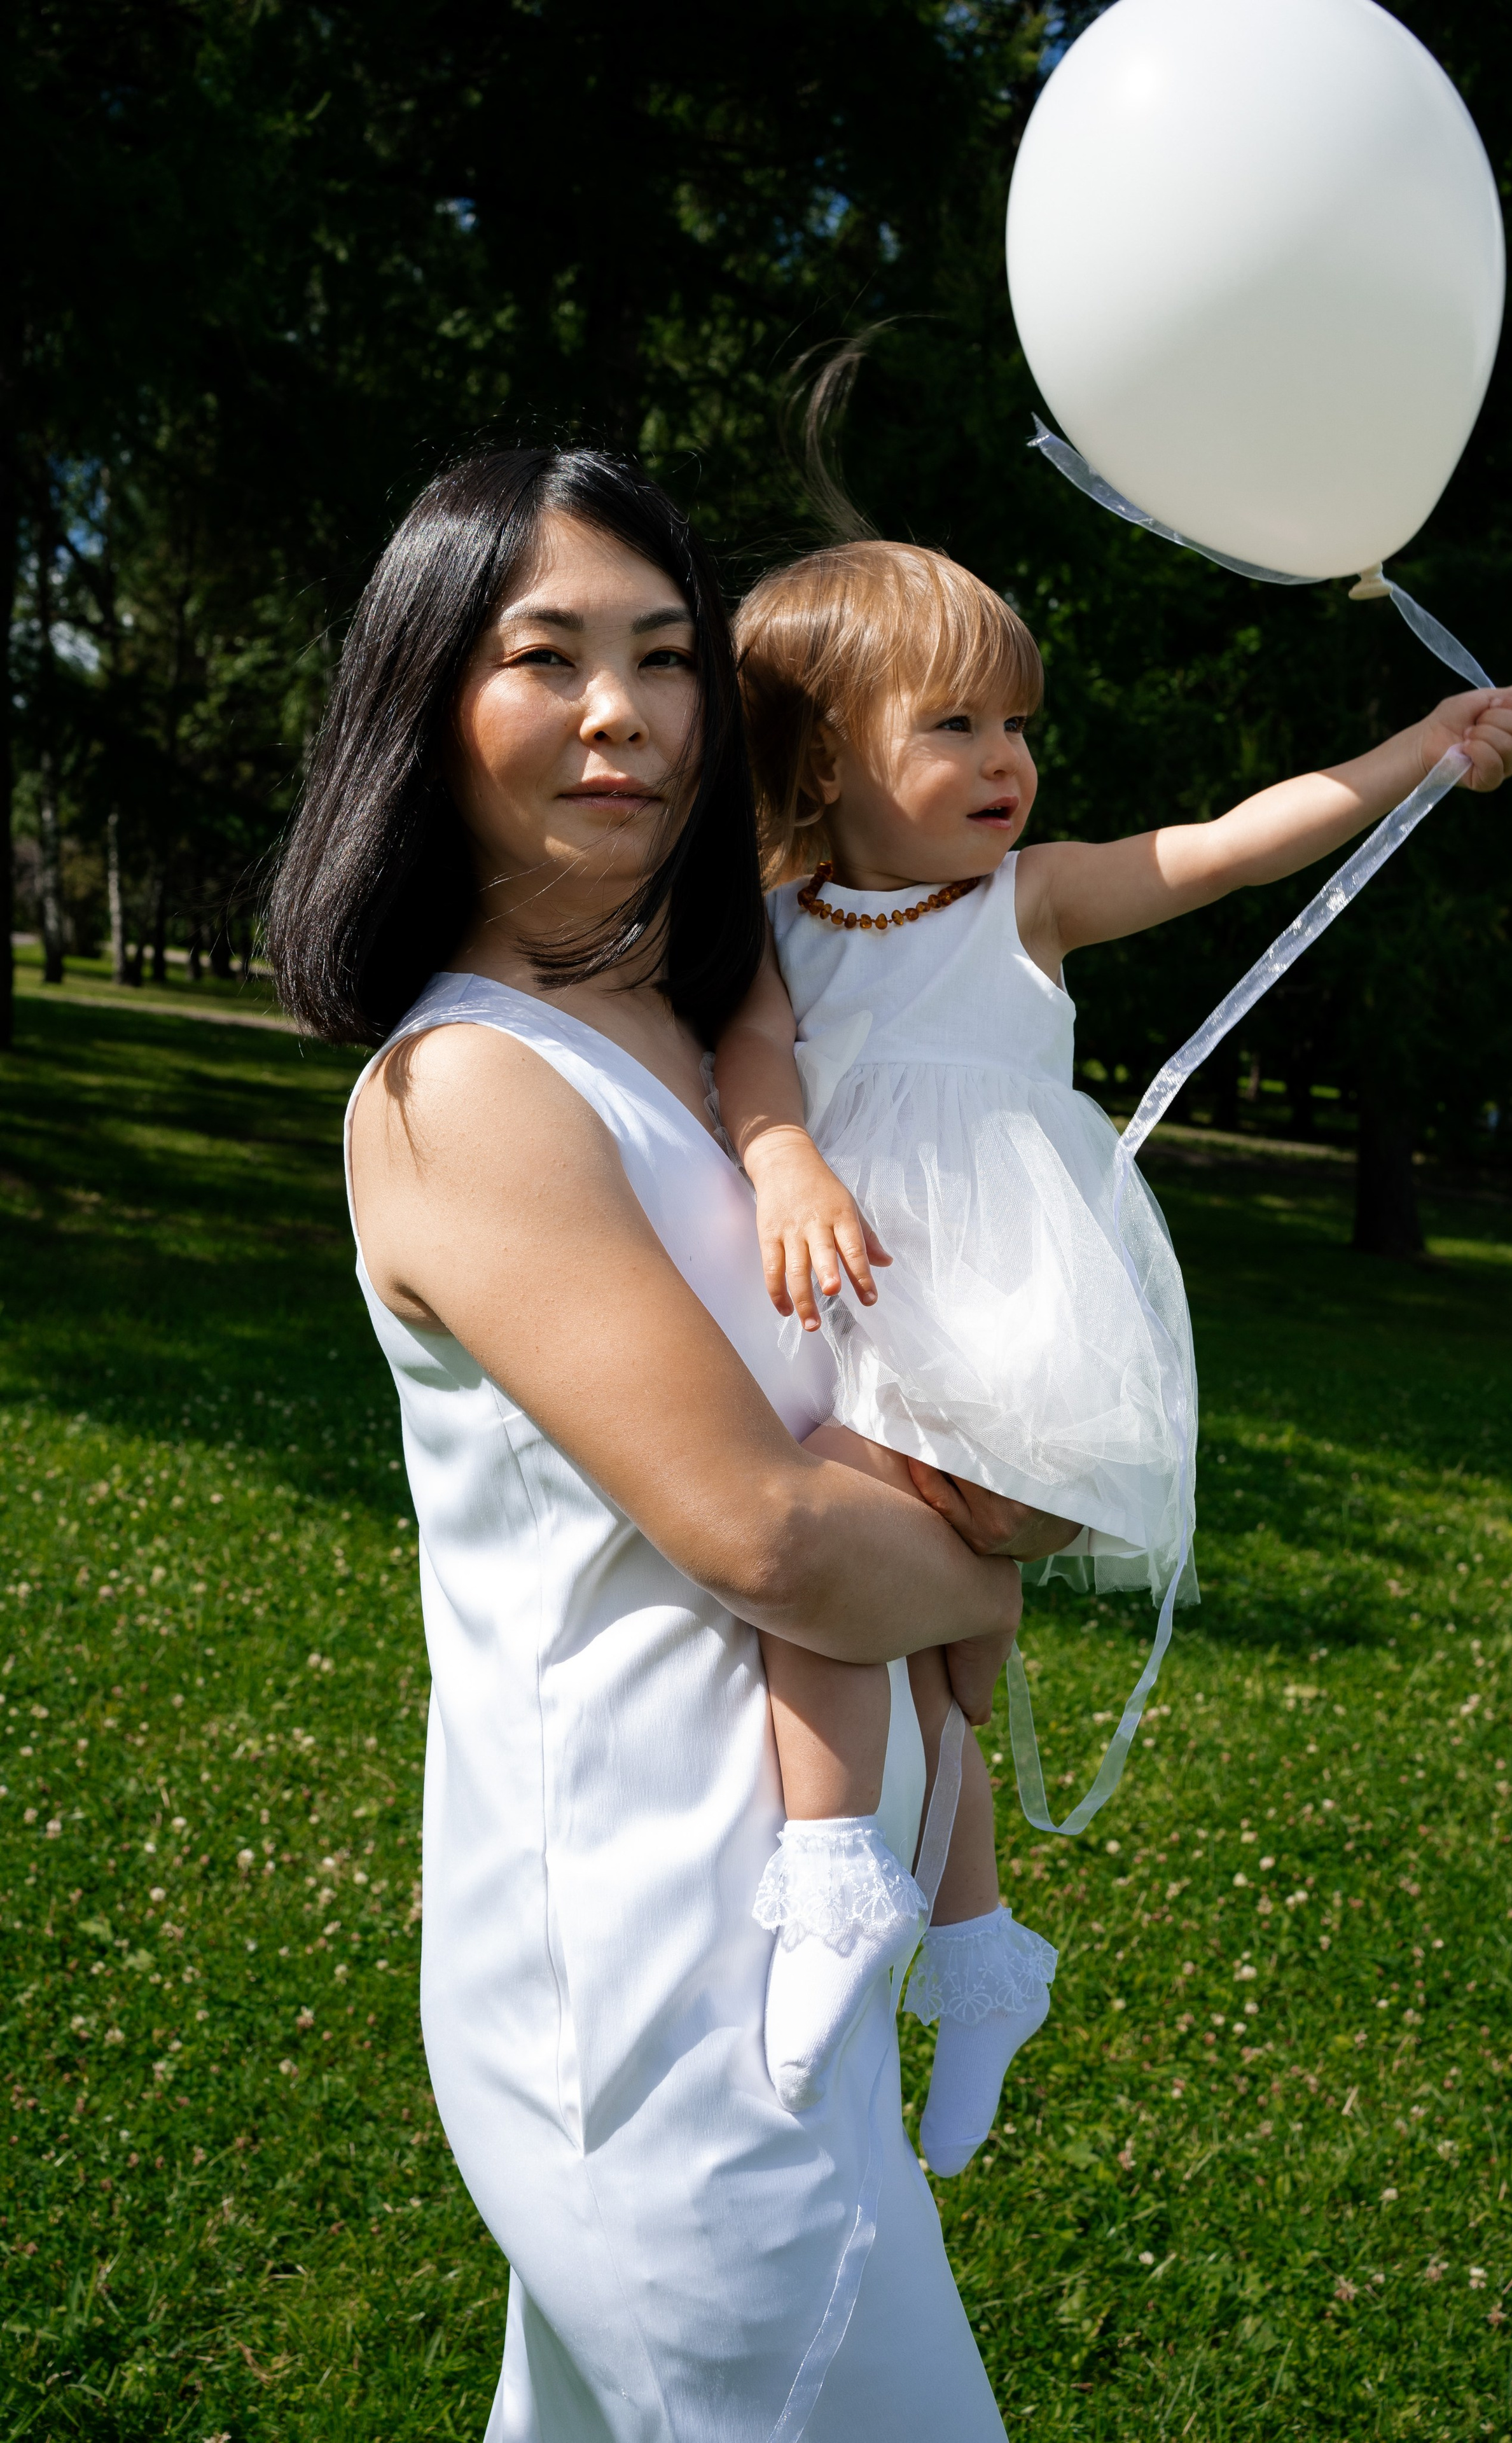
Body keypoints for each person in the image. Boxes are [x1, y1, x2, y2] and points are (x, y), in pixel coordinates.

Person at [267, 449, 1071, 2443]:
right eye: (546, 658)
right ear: (425, 705)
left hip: (796, 1965)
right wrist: (1011, 1558)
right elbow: (771, 1539)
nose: (620, 711)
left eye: (665, 656)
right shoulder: (466, 1091)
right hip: (656, 2004)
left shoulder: (719, 1024)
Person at [712, 536, 1512, 2178]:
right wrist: (783, 1158)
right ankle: (980, 1953)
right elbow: (749, 1056)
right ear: (822, 758)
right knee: (937, 1657)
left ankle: (828, 1878)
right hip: (869, 1320)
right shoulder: (776, 920)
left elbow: (1227, 846)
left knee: (826, 1539)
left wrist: (1422, 754)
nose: (1006, 762)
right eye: (954, 728)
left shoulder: (1030, 901)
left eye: (1017, 727)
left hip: (1004, 1342)